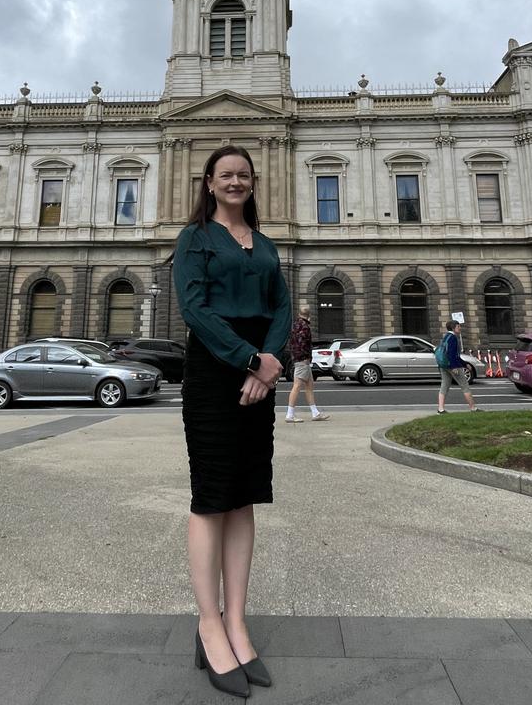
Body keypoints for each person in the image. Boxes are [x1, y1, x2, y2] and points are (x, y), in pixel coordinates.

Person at [173, 144, 291, 698]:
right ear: (210, 183)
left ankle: (236, 621)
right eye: (226, 175)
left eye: (244, 174)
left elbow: (283, 308)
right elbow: (195, 310)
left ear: (252, 182)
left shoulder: (264, 244)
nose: (236, 182)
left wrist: (269, 366)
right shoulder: (194, 239)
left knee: (244, 496)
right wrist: (250, 360)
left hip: (257, 376)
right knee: (211, 497)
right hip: (216, 374)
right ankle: (207, 623)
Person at [286, 303, 331, 423]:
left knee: (309, 386)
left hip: (299, 360)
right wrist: (305, 358)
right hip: (302, 361)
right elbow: (302, 344)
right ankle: (290, 415)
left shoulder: (295, 325)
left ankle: (315, 413)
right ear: (308, 315)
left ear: (299, 314)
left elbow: (292, 343)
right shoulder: (305, 327)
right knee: (296, 387)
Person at [437, 320, 478, 414]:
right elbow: (453, 355)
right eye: (458, 326)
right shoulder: (453, 338)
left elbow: (449, 354)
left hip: (443, 365)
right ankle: (473, 408)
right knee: (465, 386)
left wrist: (465, 364)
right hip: (453, 366)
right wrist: (454, 367)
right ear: (453, 328)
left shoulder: (445, 337)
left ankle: (440, 409)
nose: (460, 328)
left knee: (444, 386)